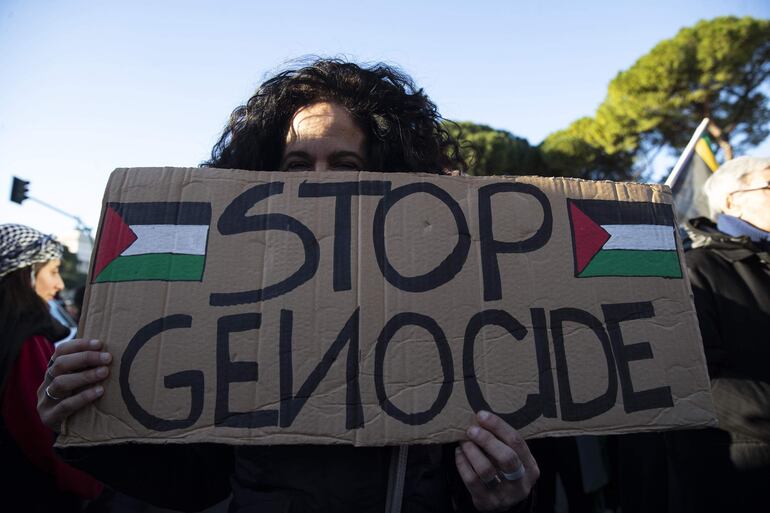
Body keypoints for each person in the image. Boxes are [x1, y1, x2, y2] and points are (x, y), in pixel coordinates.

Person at [37, 58, 539, 513]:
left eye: (346, 165)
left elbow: (483, 467)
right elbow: (198, 484)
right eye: (298, 164)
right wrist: (89, 420)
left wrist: (504, 493)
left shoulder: (449, 299)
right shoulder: (230, 309)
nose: (318, 183)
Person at [664, 156, 770, 512]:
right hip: (743, 476)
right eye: (769, 185)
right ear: (730, 201)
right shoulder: (694, 270)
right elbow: (696, 381)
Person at [0, 224, 103, 512]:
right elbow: (44, 436)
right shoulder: (29, 344)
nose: (59, 285)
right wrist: (89, 484)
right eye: (53, 271)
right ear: (27, 275)